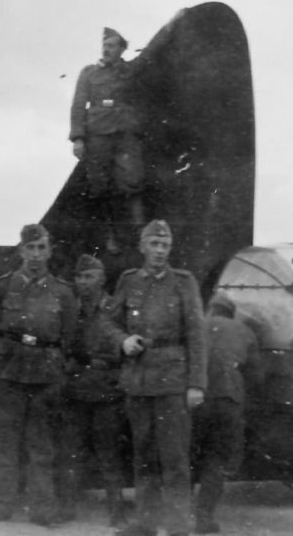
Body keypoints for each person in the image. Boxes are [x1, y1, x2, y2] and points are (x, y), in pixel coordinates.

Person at [102, 219, 207, 536]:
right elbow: (107, 322)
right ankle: (146, 522)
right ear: (142, 247)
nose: (160, 251)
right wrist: (122, 341)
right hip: (138, 382)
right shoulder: (129, 281)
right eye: (154, 244)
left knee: (174, 459)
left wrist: (196, 384)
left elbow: (197, 335)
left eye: (165, 246)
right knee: (143, 455)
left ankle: (177, 526)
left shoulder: (184, 283)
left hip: (173, 383)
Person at [0, 224, 78, 527]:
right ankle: (0, 508)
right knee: (6, 447)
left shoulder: (62, 292)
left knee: (42, 449)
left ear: (49, 251)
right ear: (21, 250)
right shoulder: (3, 287)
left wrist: (57, 370)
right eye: (30, 248)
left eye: (41, 248)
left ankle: (42, 511)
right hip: (9, 375)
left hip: (46, 378)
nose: (36, 255)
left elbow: (70, 339)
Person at [57, 253, 129, 527]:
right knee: (71, 452)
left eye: (90, 276)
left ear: (102, 279)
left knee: (109, 453)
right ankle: (66, 509)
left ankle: (117, 512)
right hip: (75, 390)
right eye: (79, 277)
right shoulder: (70, 309)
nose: (84, 282)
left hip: (107, 390)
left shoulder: (114, 309)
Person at [69, 27, 146, 253]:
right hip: (98, 134)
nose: (106, 50)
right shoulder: (89, 73)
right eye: (104, 46)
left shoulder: (130, 71)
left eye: (112, 46)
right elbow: (78, 105)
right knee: (99, 186)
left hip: (124, 133)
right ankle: (109, 236)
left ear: (122, 49)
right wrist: (78, 138)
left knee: (132, 181)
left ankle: (141, 233)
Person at [191, 292, 261, 535]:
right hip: (227, 401)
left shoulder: (196, 324)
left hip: (193, 398)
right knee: (216, 459)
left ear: (211, 310)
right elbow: (256, 375)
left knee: (187, 456)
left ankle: (177, 515)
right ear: (231, 313)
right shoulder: (244, 331)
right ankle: (204, 517)